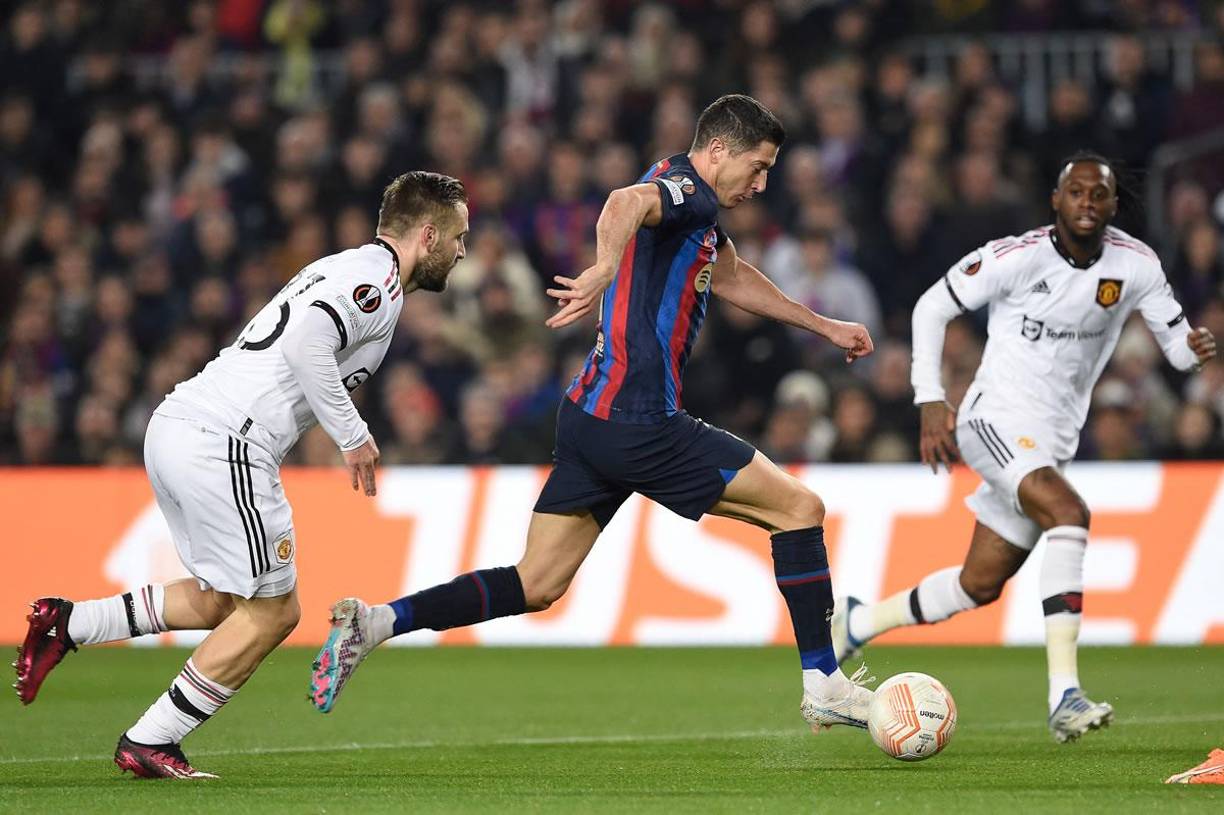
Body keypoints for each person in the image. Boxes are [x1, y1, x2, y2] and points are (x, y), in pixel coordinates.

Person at [309, 94, 878, 732]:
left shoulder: (695, 204)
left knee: (537, 583)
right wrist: (605, 264)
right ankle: (823, 680)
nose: (762, 182)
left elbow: (733, 274)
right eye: (758, 165)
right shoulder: (683, 188)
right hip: (639, 421)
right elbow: (623, 202)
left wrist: (823, 326)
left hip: (589, 415)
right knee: (800, 510)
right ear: (719, 150)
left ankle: (378, 621)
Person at [13, 171, 470, 778]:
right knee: (275, 612)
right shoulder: (377, 281)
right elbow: (308, 342)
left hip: (181, 424)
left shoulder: (349, 268)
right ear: (428, 235)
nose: (464, 250)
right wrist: (354, 436)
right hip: (225, 443)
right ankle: (151, 740)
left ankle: (66, 623)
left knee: (223, 602)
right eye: (460, 236)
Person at [830, 153, 1217, 743]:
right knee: (1070, 513)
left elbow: (1178, 349)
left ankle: (857, 622)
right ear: (1056, 201)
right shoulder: (1017, 256)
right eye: (1076, 192)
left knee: (979, 584)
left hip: (1051, 440)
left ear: (1113, 206)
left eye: (1099, 195)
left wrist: (1196, 346)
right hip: (993, 418)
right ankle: (1065, 695)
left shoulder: (1135, 266)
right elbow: (932, 305)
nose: (1087, 203)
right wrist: (930, 399)